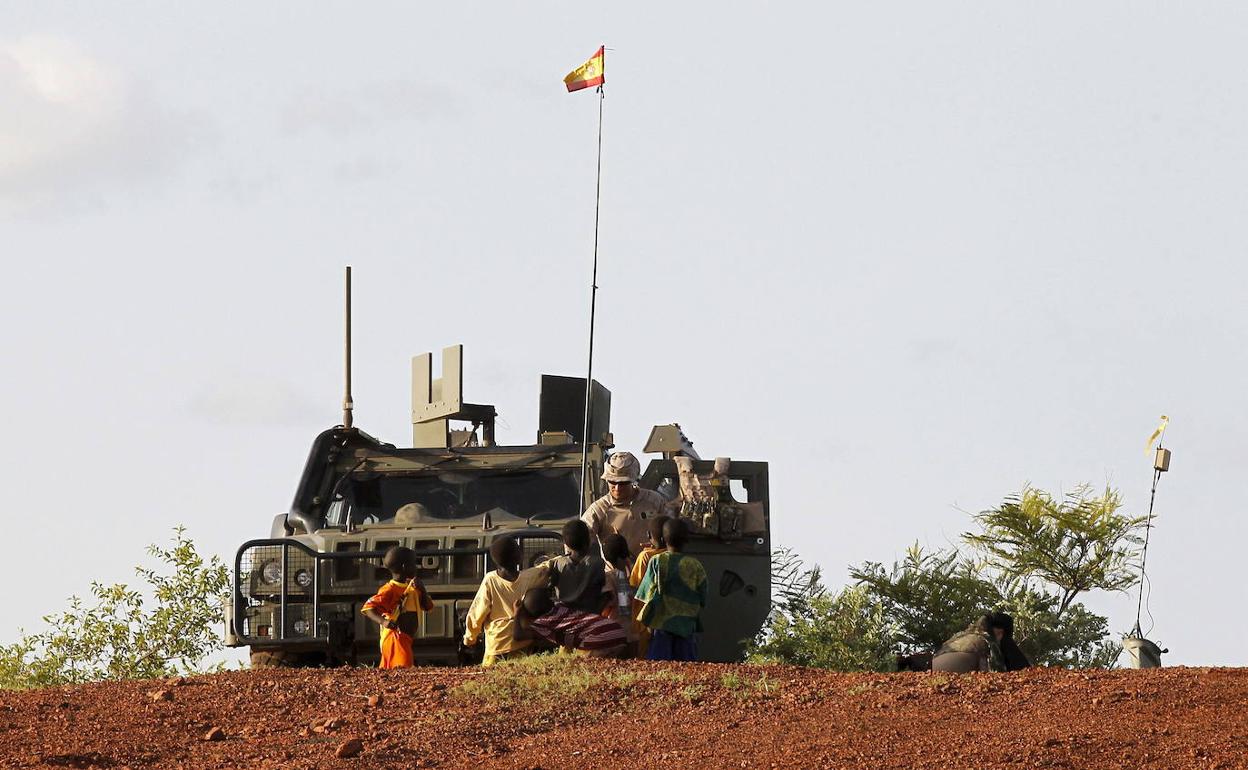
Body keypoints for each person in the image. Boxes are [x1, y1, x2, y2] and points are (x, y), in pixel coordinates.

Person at [462, 536, 550, 666]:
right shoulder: (529, 577)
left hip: (497, 645)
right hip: (521, 643)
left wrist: (470, 639)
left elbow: (476, 614)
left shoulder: (490, 580)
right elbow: (545, 568)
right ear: (519, 557)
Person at [635, 518, 707, 661]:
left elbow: (646, 593)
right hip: (686, 624)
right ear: (687, 540)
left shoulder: (656, 561)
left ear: (662, 539)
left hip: (662, 623)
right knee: (688, 666)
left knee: (659, 664)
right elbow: (703, 595)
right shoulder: (696, 565)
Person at [582, 451, 673, 558]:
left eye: (622, 483)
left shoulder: (654, 500)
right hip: (617, 571)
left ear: (633, 481)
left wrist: (659, 545)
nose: (617, 488)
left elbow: (672, 529)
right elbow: (578, 537)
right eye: (612, 482)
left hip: (653, 568)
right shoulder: (599, 509)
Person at [361, 546, 435, 669]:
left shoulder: (413, 587)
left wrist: (422, 589)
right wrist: (384, 621)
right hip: (395, 638)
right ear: (405, 567)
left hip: (405, 639)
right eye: (413, 564)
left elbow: (428, 607)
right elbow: (368, 608)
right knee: (404, 671)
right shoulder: (390, 589)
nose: (416, 567)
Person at [512, 587, 627, 657]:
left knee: (583, 667)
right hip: (617, 630)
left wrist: (517, 613)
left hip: (598, 638)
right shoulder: (560, 607)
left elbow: (518, 636)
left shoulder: (543, 623)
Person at [628, 514, 671, 658]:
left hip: (646, 617)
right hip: (668, 615)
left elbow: (635, 584)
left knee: (644, 654)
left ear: (648, 535)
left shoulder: (645, 556)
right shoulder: (674, 556)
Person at [547, 519, 608, 614]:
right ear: (588, 541)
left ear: (566, 544)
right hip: (589, 613)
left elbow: (551, 585)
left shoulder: (559, 563)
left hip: (564, 614)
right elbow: (602, 586)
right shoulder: (597, 563)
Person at [600, 533, 638, 656]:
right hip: (632, 634)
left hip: (614, 633)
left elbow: (607, 602)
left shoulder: (609, 578)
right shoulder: (627, 578)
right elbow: (626, 605)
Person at [931, 614, 1006, 673]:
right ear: (999, 632)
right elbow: (991, 673)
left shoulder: (961, 635)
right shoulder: (987, 640)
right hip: (948, 673)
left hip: (932, 668)